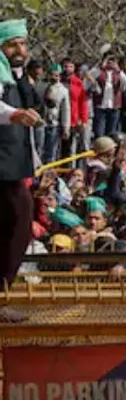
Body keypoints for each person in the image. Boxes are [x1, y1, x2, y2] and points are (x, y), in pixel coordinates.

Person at [0, 19, 39, 321]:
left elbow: (33, 103)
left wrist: (20, 72)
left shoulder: (12, 74)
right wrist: (14, 114)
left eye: (23, 44)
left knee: (12, 226)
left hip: (14, 161)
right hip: (2, 162)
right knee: (21, 221)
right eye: (13, 44)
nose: (20, 49)